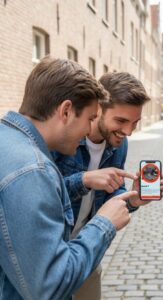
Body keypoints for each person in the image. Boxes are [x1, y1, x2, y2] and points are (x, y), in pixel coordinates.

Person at [0, 57, 138, 300]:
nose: (88, 130)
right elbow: (50, 285)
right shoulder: (33, 170)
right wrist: (104, 223)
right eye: (89, 119)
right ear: (65, 111)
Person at [52, 71, 163, 299]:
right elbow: (40, 193)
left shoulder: (118, 144)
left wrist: (133, 198)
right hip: (52, 252)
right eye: (121, 121)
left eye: (135, 123)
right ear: (98, 109)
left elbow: (114, 190)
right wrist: (85, 179)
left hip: (87, 249)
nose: (128, 132)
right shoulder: (61, 138)